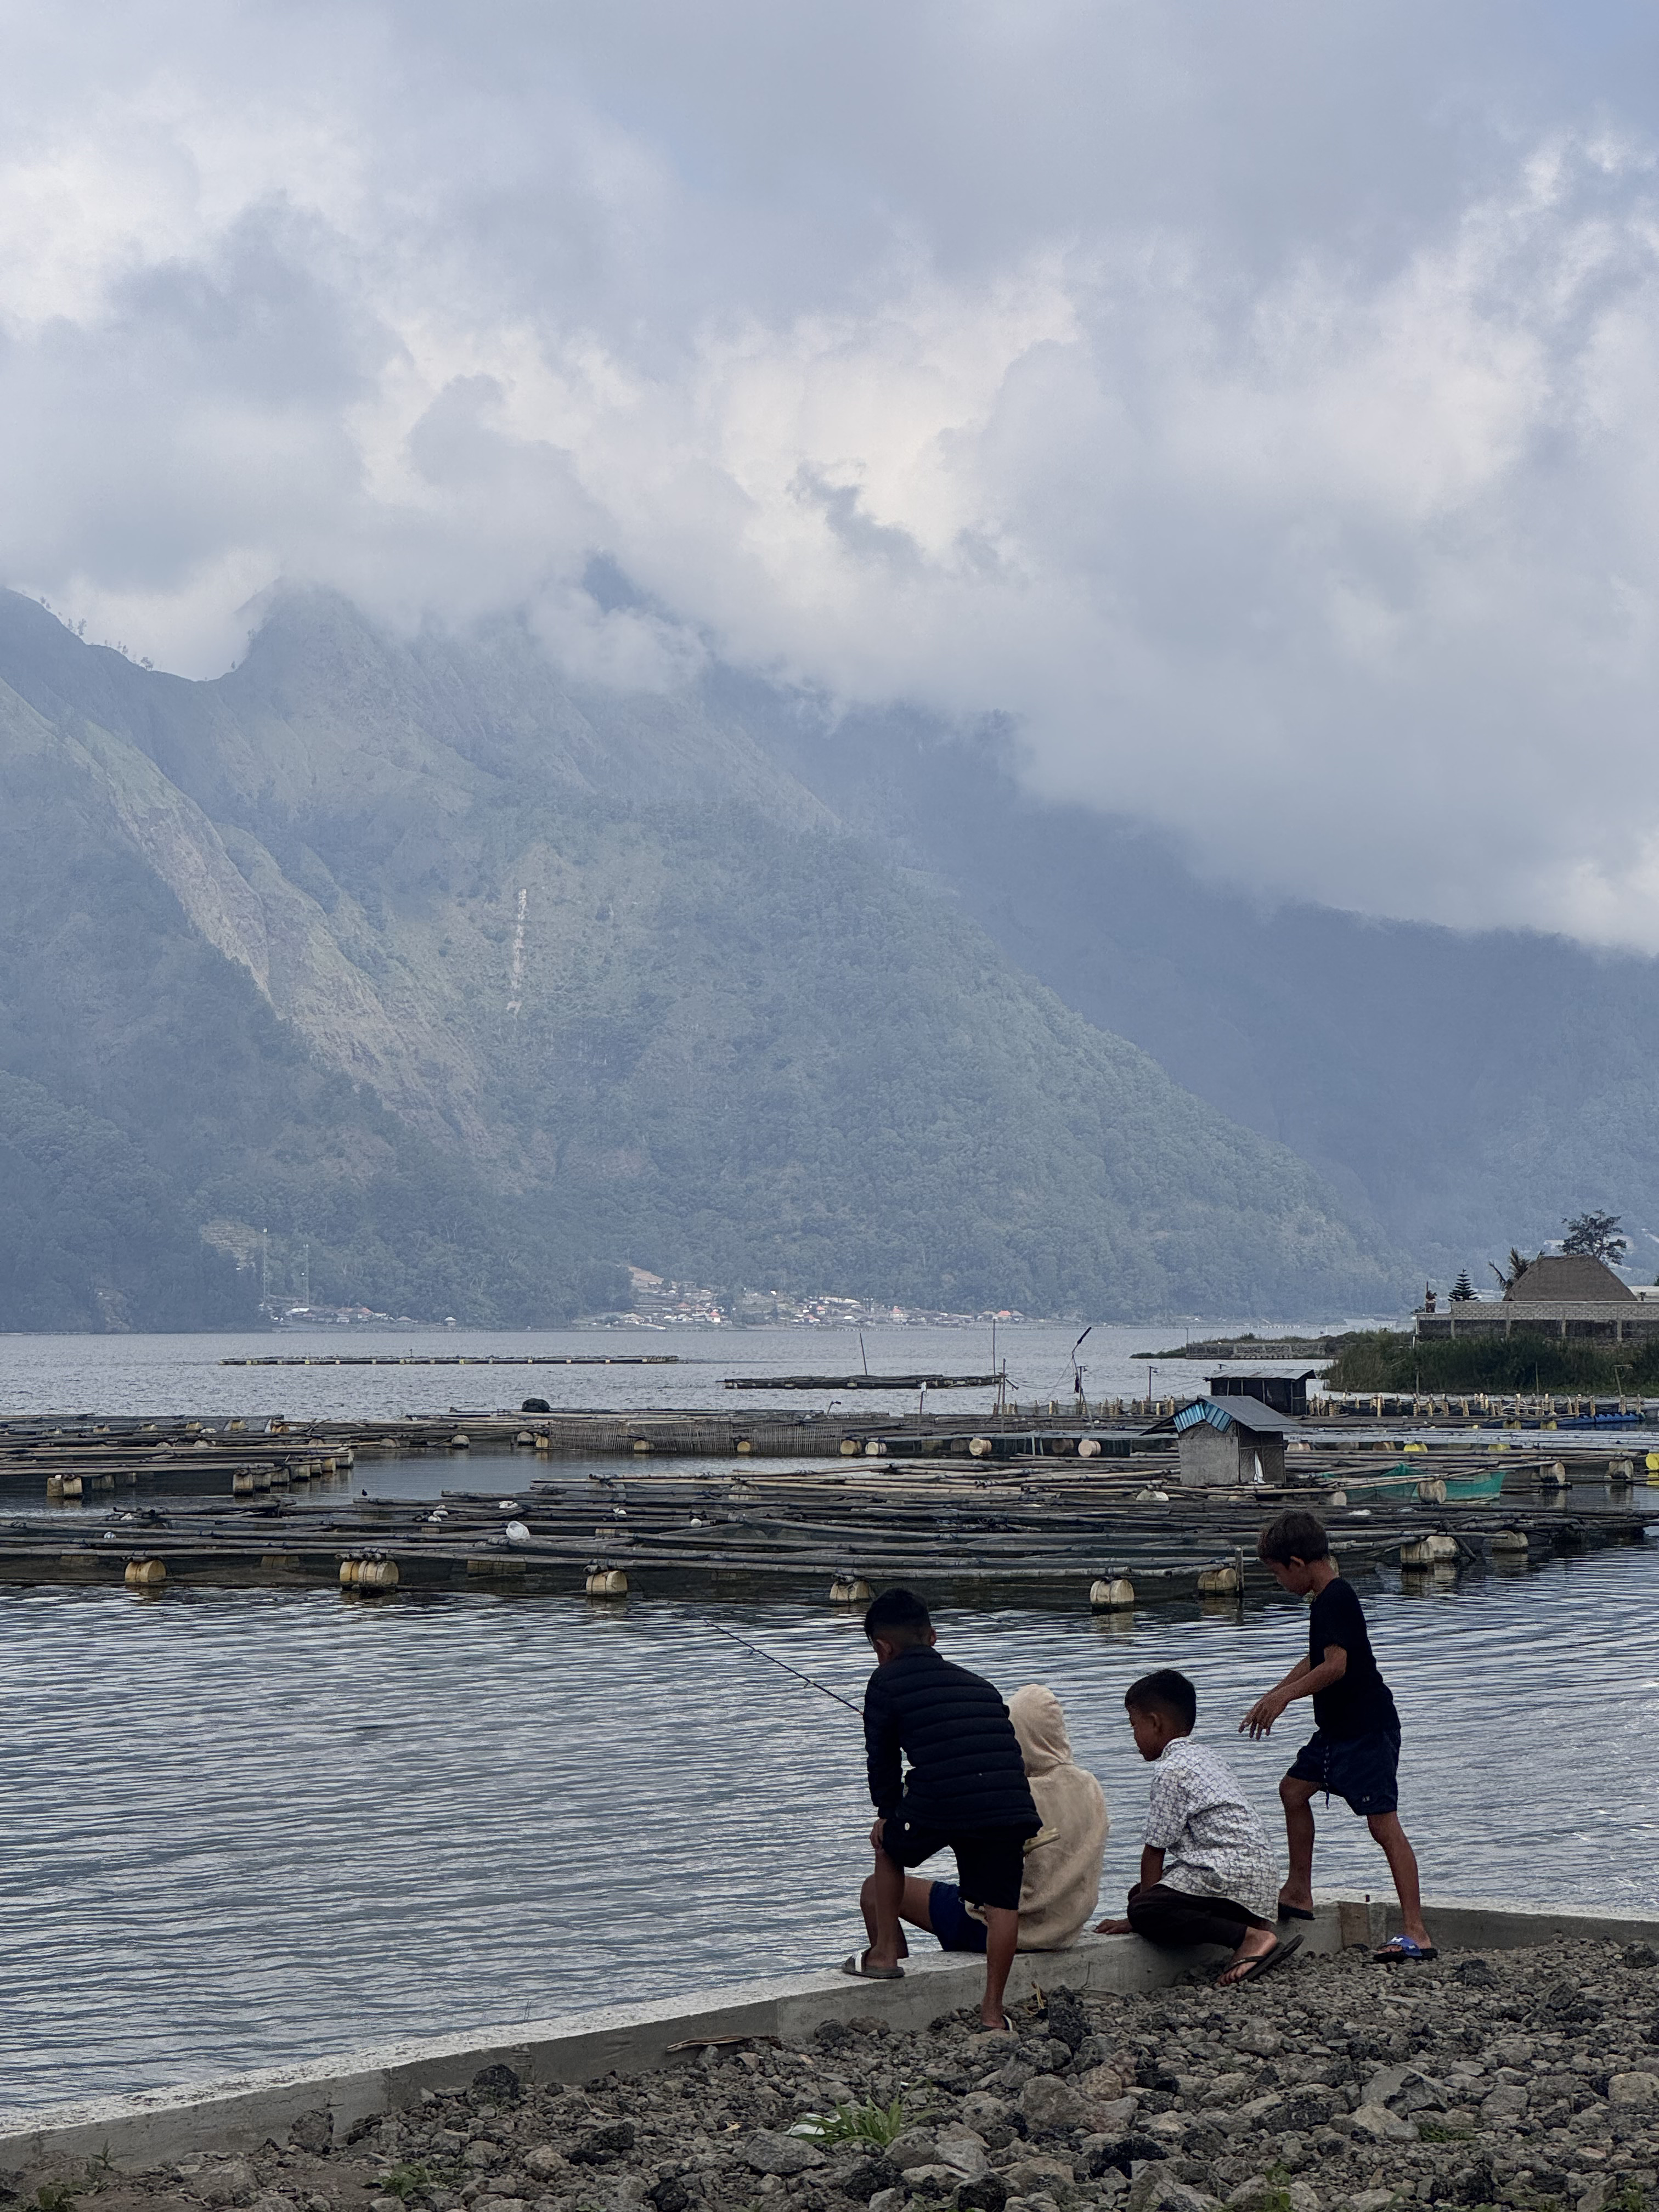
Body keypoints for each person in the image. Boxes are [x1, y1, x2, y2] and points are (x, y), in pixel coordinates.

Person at [1242, 1508, 1435, 1963]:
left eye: (1275, 1574)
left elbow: (1336, 1666)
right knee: (1293, 1790)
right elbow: (1315, 1660)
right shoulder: (1324, 1600)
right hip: (1336, 1731)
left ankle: (1416, 1931)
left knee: (1383, 1826)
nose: (1278, 1584)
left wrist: (1285, 1700)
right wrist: (1273, 1694)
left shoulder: (1336, 1597)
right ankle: (1299, 1890)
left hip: (1367, 1730)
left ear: (1296, 1563)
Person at [849, 1587, 1040, 2030]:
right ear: (932, 1637)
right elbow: (999, 1749)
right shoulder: (982, 1686)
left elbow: (882, 1761)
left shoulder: (884, 1682)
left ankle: (883, 1955)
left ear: (883, 1647)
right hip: (1009, 1803)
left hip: (941, 1795)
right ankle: (992, 2013)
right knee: (1000, 1904)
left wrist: (886, 1813)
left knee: (888, 1847)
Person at [863, 1681, 1109, 1961]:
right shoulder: (1089, 1786)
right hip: (1064, 1930)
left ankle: (892, 1972)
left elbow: (934, 1815)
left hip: (1001, 1929)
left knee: (874, 1890)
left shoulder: (1013, 1792)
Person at [1095, 1667, 1296, 1985]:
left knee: (1145, 1906)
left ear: (1155, 1722)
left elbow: (1154, 1850)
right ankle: (1258, 1926)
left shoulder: (1171, 1770)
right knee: (1142, 1893)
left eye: (1134, 1725)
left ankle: (1250, 1938)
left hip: (1226, 1874)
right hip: (1256, 1878)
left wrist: (1139, 1918)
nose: (1133, 1735)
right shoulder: (1206, 1756)